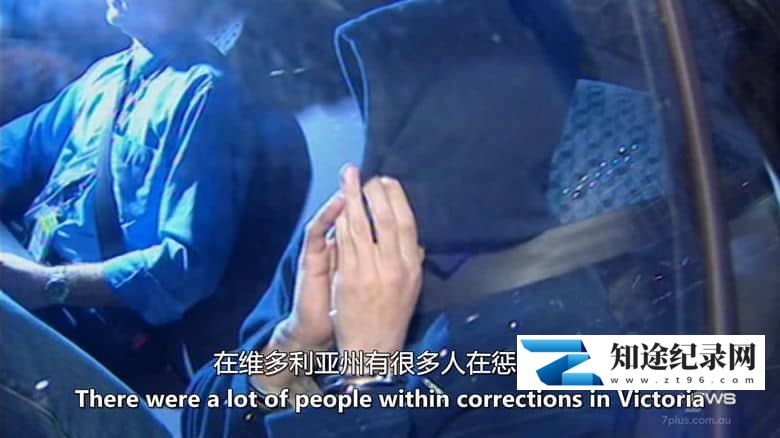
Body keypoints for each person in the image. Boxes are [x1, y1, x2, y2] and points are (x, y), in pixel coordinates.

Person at [0, 0, 310, 387]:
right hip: (29, 277)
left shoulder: (208, 96)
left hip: (85, 329)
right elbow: (16, 151)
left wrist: (50, 285)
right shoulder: (108, 74)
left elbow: (183, 268)